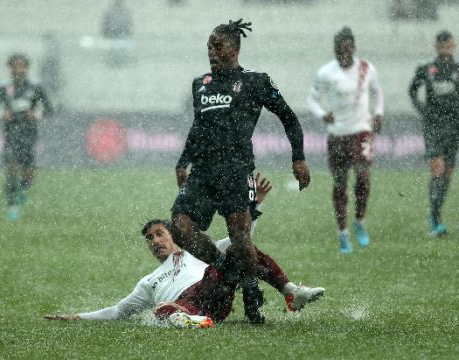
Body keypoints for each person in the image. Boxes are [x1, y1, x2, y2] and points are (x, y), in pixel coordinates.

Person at [44, 174, 325, 328]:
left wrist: (254, 207)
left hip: (213, 288)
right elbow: (118, 311)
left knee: (242, 251)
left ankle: (290, 291)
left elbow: (242, 243)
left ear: (174, 235)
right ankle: (191, 320)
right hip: (192, 307)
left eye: (158, 234)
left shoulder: (203, 252)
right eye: (149, 238)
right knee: (162, 310)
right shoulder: (149, 281)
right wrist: (78, 317)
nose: (154, 241)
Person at [171, 19, 310, 325]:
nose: (211, 51)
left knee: (241, 239)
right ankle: (224, 265)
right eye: (208, 45)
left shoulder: (255, 82)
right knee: (180, 228)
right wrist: (183, 161)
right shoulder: (200, 84)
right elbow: (198, 127)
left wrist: (298, 158)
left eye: (216, 45)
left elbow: (289, 118)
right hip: (204, 174)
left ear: (234, 47)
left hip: (236, 172)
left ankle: (250, 297)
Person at [307, 27, 384, 254]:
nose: (343, 52)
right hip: (338, 135)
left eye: (347, 47)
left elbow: (377, 92)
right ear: (334, 49)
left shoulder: (366, 68)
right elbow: (311, 99)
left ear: (353, 47)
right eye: (339, 48)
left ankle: (359, 221)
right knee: (340, 184)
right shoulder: (325, 73)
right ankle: (343, 234)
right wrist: (323, 114)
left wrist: (378, 113)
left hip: (361, 131)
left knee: (362, 177)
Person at [0, 54, 53, 221]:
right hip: (11, 135)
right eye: (15, 66)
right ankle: (12, 206)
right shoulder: (3, 88)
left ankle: (22, 190)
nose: (19, 69)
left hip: (29, 135)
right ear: (10, 68)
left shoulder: (36, 88)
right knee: (11, 167)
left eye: (22, 66)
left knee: (28, 175)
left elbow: (49, 110)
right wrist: (3, 114)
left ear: (27, 68)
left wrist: (36, 113)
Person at [409, 30, 459, 237]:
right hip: (434, 127)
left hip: (454, 126)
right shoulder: (426, 69)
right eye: (440, 45)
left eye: (447, 45)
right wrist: (423, 111)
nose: (444, 48)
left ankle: (436, 213)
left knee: (447, 173)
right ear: (436, 46)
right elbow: (412, 90)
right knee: (437, 170)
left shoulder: (457, 69)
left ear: (453, 46)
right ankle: (435, 217)